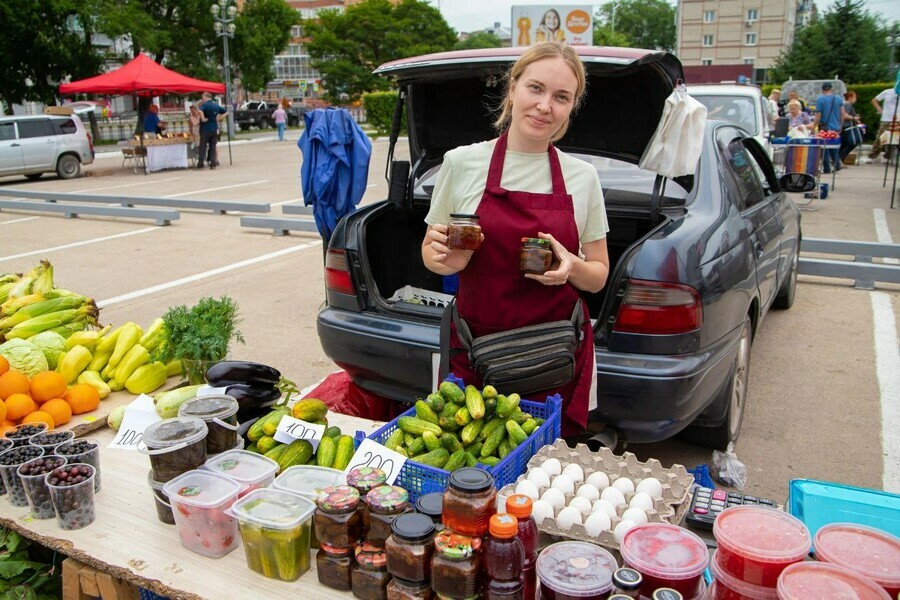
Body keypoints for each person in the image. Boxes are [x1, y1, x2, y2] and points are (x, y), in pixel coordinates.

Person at [421, 42, 610, 436]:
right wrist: (443, 259)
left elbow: (598, 276)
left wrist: (571, 267)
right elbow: (431, 250)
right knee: (471, 465)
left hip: (554, 355)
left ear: (571, 107)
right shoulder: (461, 163)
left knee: (545, 472)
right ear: (513, 88)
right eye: (536, 88)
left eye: (561, 97)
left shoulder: (583, 177)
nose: (545, 106)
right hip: (475, 350)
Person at [813, 81, 845, 173]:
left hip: (824, 127)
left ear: (823, 90)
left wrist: (813, 126)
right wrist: (841, 125)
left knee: (824, 148)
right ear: (832, 89)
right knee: (834, 146)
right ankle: (837, 164)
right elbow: (842, 113)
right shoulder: (838, 99)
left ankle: (827, 168)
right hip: (836, 126)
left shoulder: (820, 100)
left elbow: (818, 115)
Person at [866, 86, 898, 164]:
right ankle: (872, 156)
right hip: (886, 119)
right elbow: (874, 100)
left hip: (897, 119)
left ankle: (888, 156)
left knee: (895, 139)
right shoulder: (887, 92)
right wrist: (879, 110)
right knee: (880, 137)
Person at [197, 92, 227, 169]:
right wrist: (219, 118)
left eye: (203, 97)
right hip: (214, 128)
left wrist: (203, 119)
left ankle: (201, 164)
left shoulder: (205, 105)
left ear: (206, 97)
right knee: (212, 146)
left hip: (205, 128)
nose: (202, 99)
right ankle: (213, 164)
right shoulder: (216, 105)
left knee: (203, 146)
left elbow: (200, 111)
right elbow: (225, 112)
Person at [839, 90, 862, 162]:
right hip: (848, 127)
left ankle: (840, 158)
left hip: (846, 126)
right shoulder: (848, 105)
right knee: (852, 142)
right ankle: (840, 157)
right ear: (850, 97)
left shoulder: (845, 104)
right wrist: (854, 118)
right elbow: (844, 115)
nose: (856, 99)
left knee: (845, 143)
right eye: (855, 97)